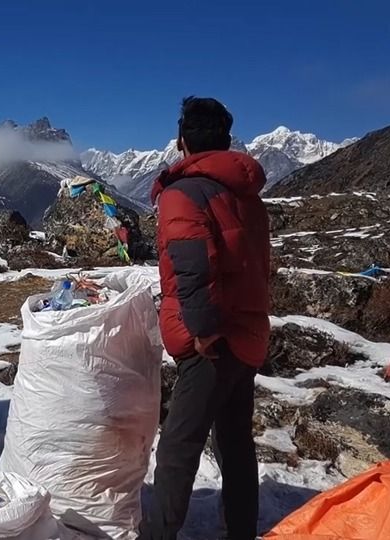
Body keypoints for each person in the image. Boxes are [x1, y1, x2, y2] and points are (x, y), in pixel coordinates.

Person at [146, 97, 270, 540]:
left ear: (182, 140)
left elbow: (192, 264)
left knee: (180, 445)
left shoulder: (183, 193)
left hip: (212, 340)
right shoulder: (246, 194)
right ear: (226, 139)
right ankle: (240, 530)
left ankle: (158, 533)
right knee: (235, 442)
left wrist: (201, 331)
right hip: (249, 333)